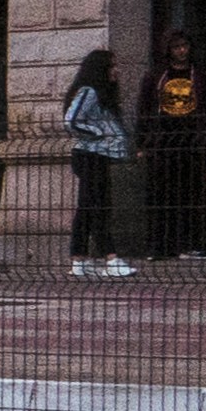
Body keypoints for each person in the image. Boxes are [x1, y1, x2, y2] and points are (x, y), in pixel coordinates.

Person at [139, 28, 206, 258]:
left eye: (185, 46)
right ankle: (158, 245)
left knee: (189, 195)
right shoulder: (157, 76)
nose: (181, 51)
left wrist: (205, 133)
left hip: (191, 142)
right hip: (163, 142)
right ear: (168, 50)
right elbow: (144, 110)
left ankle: (188, 244)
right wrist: (142, 142)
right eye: (176, 47)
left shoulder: (197, 74)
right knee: (160, 195)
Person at [60, 47, 131, 275]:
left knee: (88, 207)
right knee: (98, 206)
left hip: (98, 155)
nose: (116, 71)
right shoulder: (90, 91)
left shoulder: (103, 94)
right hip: (90, 155)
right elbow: (72, 120)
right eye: (112, 66)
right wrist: (98, 133)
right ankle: (110, 258)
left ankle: (79, 259)